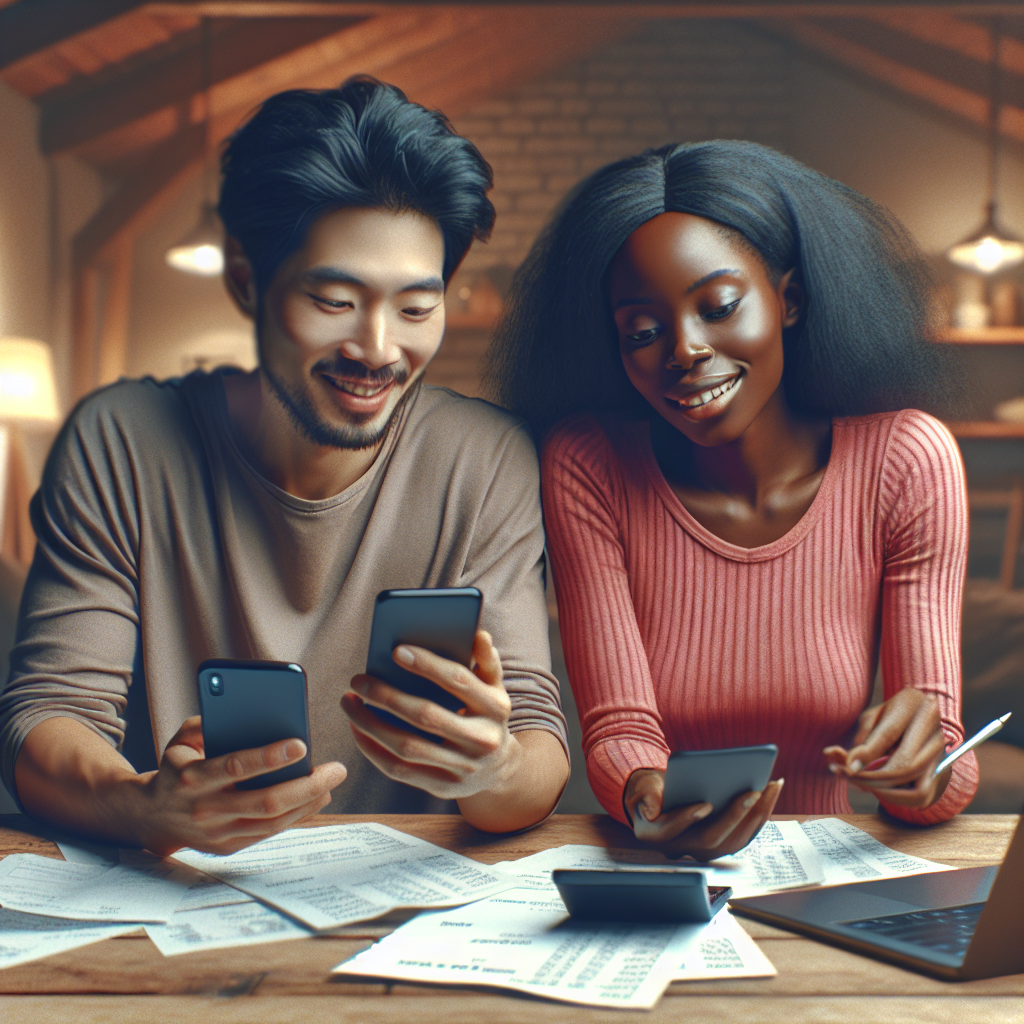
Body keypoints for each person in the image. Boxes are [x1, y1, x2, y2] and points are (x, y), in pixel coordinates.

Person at [0, 78, 569, 856]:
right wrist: (145, 807)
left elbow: (537, 746)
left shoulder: (486, 459)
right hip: (170, 904)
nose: (377, 349)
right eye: (334, 300)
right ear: (246, 280)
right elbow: (47, 717)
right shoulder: (123, 440)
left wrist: (492, 768)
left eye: (415, 308)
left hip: (395, 920)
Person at [486, 140, 977, 859]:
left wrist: (922, 772)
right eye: (643, 331)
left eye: (717, 306)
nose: (683, 349)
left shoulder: (906, 460)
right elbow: (621, 733)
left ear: (790, 299)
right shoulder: (588, 463)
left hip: (828, 875)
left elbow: (943, 744)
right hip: (661, 870)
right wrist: (644, 794)